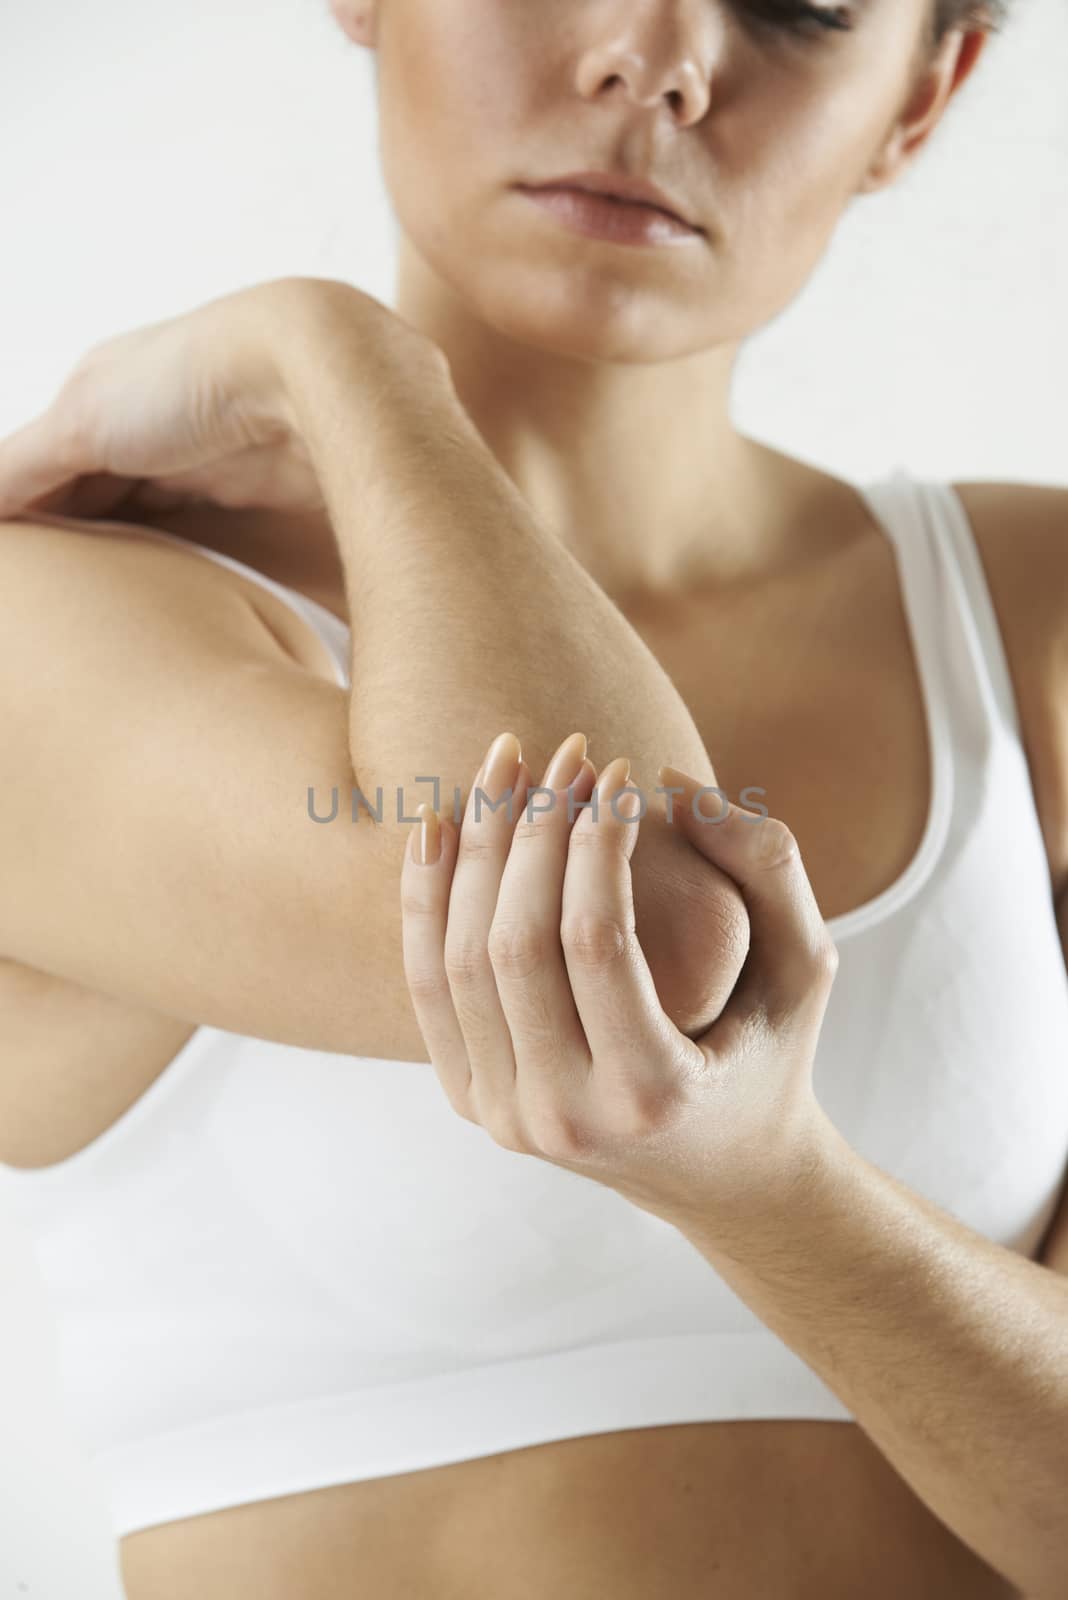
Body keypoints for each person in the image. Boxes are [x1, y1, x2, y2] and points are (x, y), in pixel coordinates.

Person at [0, 1, 1065, 1596]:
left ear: (925, 95)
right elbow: (630, 921)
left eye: (802, 2)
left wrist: (777, 1193)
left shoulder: (1032, 620)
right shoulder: (60, 621)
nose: (661, 58)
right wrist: (346, 362)